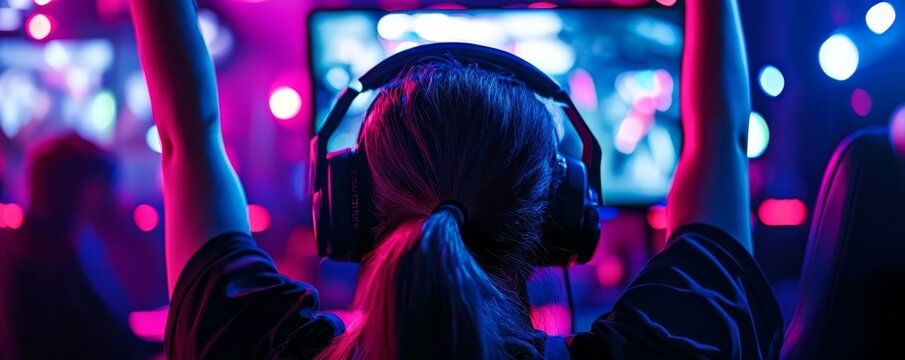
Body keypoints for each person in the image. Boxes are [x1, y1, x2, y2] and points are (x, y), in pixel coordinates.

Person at [131, 0, 783, 358]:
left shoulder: (245, 343)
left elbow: (188, 138)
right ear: (560, 210)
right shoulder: (671, 349)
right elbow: (718, 136)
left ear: (348, 205)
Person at [0, 134, 165, 359]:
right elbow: (107, 342)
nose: (120, 198)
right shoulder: (50, 259)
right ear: (88, 190)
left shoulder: (35, 247)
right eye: (111, 186)